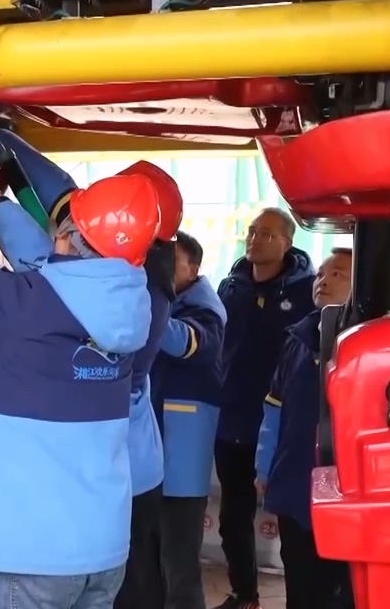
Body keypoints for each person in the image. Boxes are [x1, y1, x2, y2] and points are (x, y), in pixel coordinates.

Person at [0, 107, 159, 609]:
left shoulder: (22, 308)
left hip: (33, 553)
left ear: (66, 236)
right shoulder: (129, 307)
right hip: (103, 549)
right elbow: (47, 263)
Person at [0, 128, 178, 608]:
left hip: (112, 477)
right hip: (127, 471)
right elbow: (64, 194)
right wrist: (4, 140)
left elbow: (36, 254)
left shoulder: (119, 293)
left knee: (133, 595)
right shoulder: (136, 273)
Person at [214, 208, 315, 609]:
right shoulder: (231, 286)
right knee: (232, 519)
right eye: (253, 232)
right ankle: (245, 596)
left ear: (287, 243)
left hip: (281, 429)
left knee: (294, 530)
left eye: (267, 234)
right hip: (232, 421)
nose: (255, 239)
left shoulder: (306, 292)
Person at [255, 248, 354, 609]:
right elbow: (274, 406)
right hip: (295, 481)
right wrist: (264, 466)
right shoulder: (298, 339)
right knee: (299, 579)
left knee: (339, 588)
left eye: (338, 274)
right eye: (321, 274)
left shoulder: (370, 343)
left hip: (346, 490)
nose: (323, 281)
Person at [150, 231, 227, 609]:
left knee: (178, 564)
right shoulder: (169, 301)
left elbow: (185, 344)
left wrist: (142, 305)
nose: (159, 269)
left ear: (193, 270)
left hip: (181, 461)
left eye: (170, 261)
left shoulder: (205, 309)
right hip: (154, 457)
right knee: (147, 563)